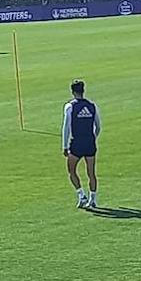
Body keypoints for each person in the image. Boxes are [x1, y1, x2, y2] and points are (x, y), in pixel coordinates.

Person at [63, 80, 101, 209]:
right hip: (90, 143)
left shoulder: (70, 106)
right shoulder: (92, 106)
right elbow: (98, 126)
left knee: (71, 170)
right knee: (91, 173)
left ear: (72, 91)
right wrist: (92, 138)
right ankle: (93, 199)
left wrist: (64, 146)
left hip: (76, 144)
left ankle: (81, 195)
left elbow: (66, 127)